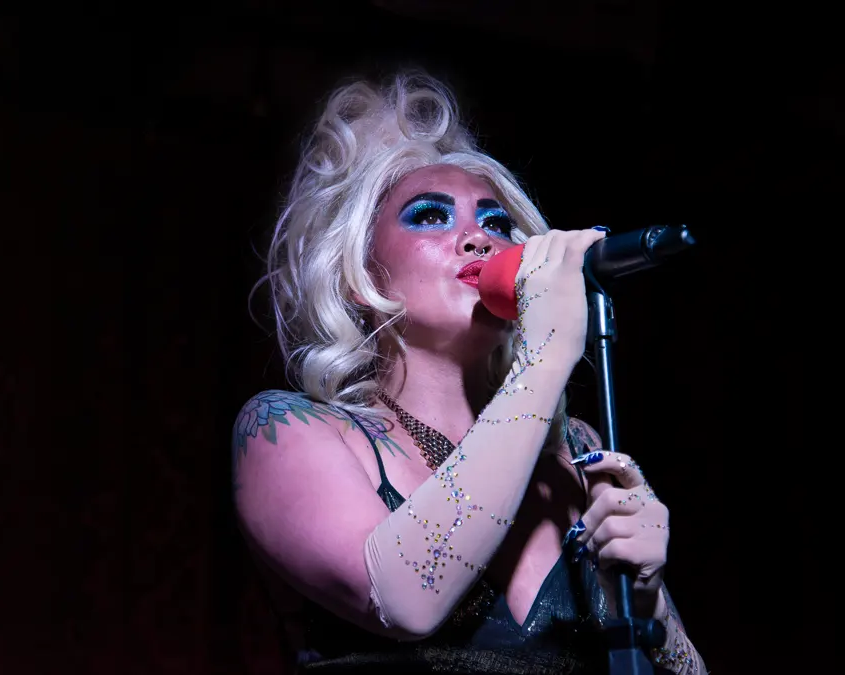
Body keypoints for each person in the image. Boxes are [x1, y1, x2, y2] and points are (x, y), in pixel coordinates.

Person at [231, 71, 705, 674]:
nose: (478, 237)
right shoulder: (287, 430)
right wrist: (545, 357)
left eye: (497, 223)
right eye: (430, 216)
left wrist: (647, 603)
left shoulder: (577, 451)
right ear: (360, 274)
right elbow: (405, 601)